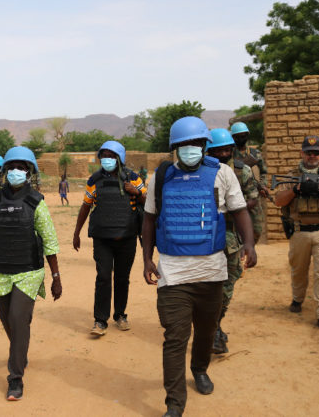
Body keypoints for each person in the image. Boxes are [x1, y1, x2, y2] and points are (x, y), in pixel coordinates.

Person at [140, 117, 257, 417]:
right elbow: (150, 219)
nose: (190, 149)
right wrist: (146, 259)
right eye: (183, 145)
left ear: (205, 146)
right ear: (174, 149)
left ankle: (200, 369)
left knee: (205, 333)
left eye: (195, 144)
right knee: (175, 338)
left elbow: (240, 210)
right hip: (173, 275)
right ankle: (174, 404)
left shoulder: (223, 174)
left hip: (211, 273)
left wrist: (249, 244)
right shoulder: (162, 176)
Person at [0, 146, 61, 401]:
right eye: (12, 167)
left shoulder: (36, 201)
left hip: (28, 271)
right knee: (10, 321)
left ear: (29, 172)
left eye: (22, 167)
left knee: (17, 317)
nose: (16, 171)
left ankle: (15, 377)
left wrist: (56, 277)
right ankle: (21, 351)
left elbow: (49, 241)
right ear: (5, 171)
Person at [274, 135, 319, 333]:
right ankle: (297, 299)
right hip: (299, 231)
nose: (312, 156)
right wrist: (297, 189)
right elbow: (279, 200)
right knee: (298, 271)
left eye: (316, 152)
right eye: (308, 152)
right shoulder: (292, 175)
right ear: (302, 153)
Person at [72, 141, 146, 336]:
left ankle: (120, 315)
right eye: (103, 155)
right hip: (102, 238)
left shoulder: (133, 178)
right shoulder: (94, 179)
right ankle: (100, 320)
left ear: (119, 158)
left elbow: (148, 202)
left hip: (127, 236)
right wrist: (76, 232)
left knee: (122, 278)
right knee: (103, 277)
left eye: (111, 155)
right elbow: (86, 206)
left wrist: (136, 192)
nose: (106, 159)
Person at [205, 129, 260, 354]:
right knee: (206, 286)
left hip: (230, 235)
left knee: (228, 286)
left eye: (227, 149)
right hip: (205, 237)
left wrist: (231, 207)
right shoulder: (200, 173)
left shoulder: (241, 170)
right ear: (208, 151)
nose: (223, 153)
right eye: (218, 150)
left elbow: (253, 200)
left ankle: (215, 325)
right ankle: (210, 329)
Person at [230, 122, 268, 242]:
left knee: (256, 229)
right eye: (237, 136)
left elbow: (264, 172)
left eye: (243, 136)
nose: (241, 139)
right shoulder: (229, 154)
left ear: (247, 135)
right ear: (233, 138)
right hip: (236, 195)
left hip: (253, 196)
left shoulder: (255, 154)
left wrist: (262, 185)